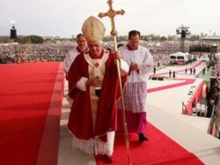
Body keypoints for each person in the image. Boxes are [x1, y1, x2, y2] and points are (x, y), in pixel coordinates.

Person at [67, 16, 129, 164]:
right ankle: (93, 148)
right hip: (86, 98)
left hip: (106, 98)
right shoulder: (81, 59)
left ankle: (108, 151)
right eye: (91, 45)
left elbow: (124, 73)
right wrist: (88, 81)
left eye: (97, 45)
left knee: (108, 125)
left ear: (101, 44)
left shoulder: (110, 57)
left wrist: (119, 61)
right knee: (90, 123)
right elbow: (72, 77)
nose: (94, 49)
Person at [117, 30, 154, 143]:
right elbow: (117, 65)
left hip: (139, 83)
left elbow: (149, 64)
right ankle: (122, 128)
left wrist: (138, 67)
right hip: (126, 83)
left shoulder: (144, 51)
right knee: (123, 106)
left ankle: (141, 132)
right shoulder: (120, 51)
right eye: (132, 41)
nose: (135, 44)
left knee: (140, 107)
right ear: (128, 39)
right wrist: (127, 68)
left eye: (137, 41)